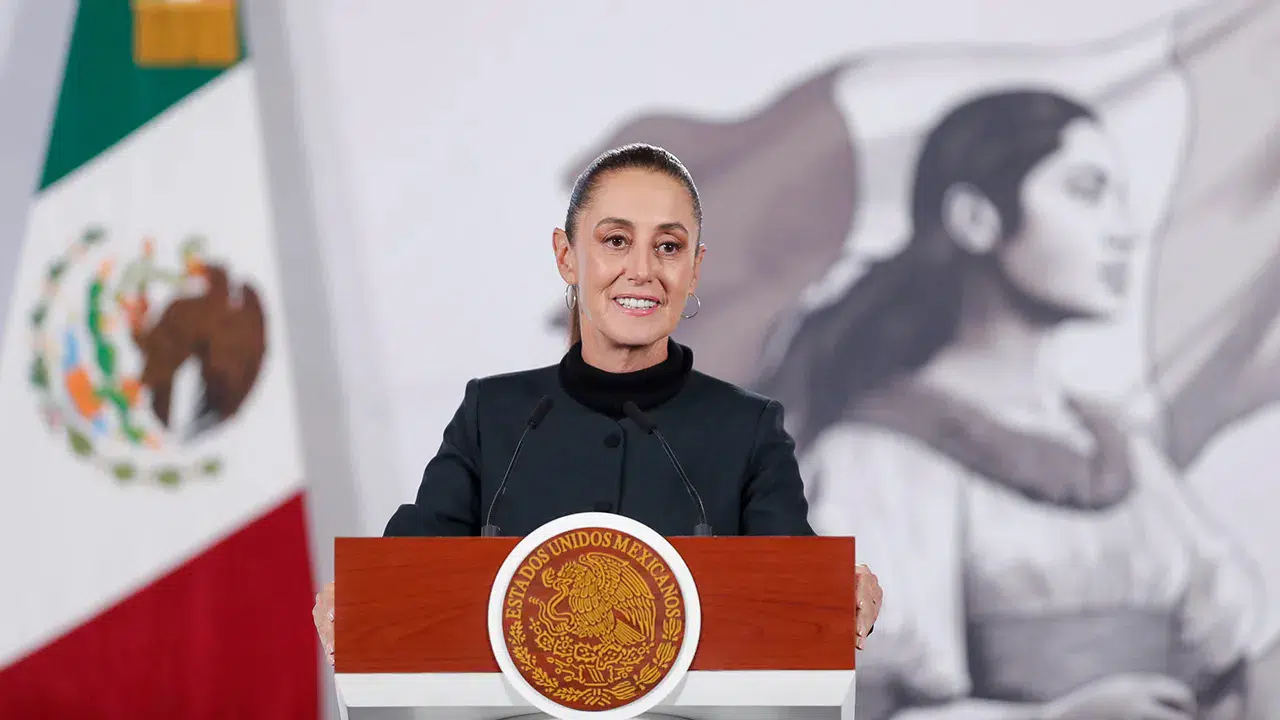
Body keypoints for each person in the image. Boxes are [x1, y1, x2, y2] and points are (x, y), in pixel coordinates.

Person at [754, 90, 1260, 720]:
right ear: (976, 219)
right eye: (1086, 191)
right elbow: (847, 705)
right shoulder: (878, 461)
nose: (1124, 231)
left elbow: (1227, 650)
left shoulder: (1124, 454)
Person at [312, 143, 883, 666]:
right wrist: (364, 594)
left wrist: (840, 592)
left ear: (694, 269)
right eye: (615, 241)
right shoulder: (493, 415)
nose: (643, 270)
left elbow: (795, 588)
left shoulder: (748, 429)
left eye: (668, 247)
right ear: (566, 257)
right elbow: (410, 566)